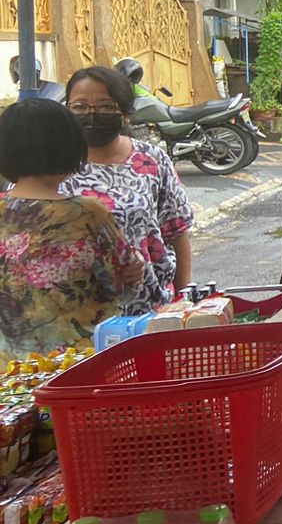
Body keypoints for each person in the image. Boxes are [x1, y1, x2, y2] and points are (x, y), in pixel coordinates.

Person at [0, 99, 147, 355]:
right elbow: (122, 286)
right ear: (68, 148)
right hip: (77, 364)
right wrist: (135, 266)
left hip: (10, 372)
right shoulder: (86, 213)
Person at [61, 67, 195, 309]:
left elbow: (177, 230)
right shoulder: (54, 164)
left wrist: (182, 300)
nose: (92, 114)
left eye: (105, 106)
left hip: (150, 309)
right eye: (80, 107)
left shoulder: (151, 159)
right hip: (78, 316)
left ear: (125, 114)